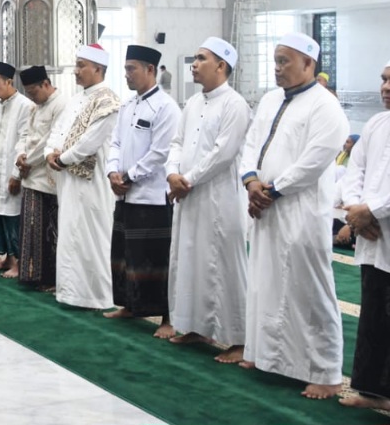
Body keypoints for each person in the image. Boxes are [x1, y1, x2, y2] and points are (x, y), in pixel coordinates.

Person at [239, 32, 349, 399]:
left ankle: (326, 372)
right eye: (275, 61)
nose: (277, 68)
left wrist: (272, 190)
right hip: (265, 208)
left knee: (310, 290)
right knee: (265, 283)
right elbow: (251, 144)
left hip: (301, 212)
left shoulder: (326, 106)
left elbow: (315, 160)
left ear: (308, 63)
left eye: (284, 61)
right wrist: (251, 180)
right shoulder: (270, 100)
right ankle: (265, 355)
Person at [165, 37, 250, 362]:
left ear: (221, 65)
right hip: (188, 197)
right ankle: (196, 326)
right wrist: (172, 173)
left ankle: (240, 340)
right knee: (190, 262)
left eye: (201, 58)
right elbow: (177, 142)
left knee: (225, 267)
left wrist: (187, 179)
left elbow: (223, 153)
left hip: (219, 200)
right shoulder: (192, 103)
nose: (194, 64)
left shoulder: (235, 104)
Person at [105, 45, 180, 337]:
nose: (126, 74)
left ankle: (167, 318)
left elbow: (161, 153)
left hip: (152, 197)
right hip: (125, 194)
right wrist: (112, 172)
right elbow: (115, 143)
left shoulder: (165, 107)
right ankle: (129, 305)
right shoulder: (128, 106)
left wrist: (129, 176)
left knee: (156, 258)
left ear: (150, 70)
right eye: (125, 69)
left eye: (131, 69)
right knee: (125, 255)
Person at [46, 44, 121, 310]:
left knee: (93, 237)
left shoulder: (108, 101)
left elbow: (90, 142)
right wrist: (49, 153)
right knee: (69, 235)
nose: (76, 71)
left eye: (81, 65)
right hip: (68, 179)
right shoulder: (75, 100)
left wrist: (61, 159)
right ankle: (70, 293)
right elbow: (57, 132)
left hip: (92, 182)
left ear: (98, 69)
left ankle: (99, 296)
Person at [339, 58, 390, 412]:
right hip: (373, 237)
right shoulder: (376, 124)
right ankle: (373, 391)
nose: (386, 87)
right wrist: (355, 209)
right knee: (373, 314)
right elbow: (354, 169)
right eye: (384, 79)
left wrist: (371, 210)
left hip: (378, 224)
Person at [16, 65, 68, 291]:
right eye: (27, 92)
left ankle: (50, 278)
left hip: (48, 178)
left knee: (48, 230)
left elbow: (51, 140)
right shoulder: (35, 106)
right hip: (29, 175)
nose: (31, 97)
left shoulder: (61, 105)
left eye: (33, 92)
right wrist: (20, 155)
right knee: (30, 228)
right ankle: (31, 275)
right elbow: (24, 135)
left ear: (46, 84)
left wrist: (28, 161)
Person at [0, 61, 33, 278]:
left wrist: (16, 175)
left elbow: (25, 141)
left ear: (9, 82)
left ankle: (20, 263)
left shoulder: (24, 105)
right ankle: (7, 259)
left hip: (11, 172)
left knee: (13, 218)